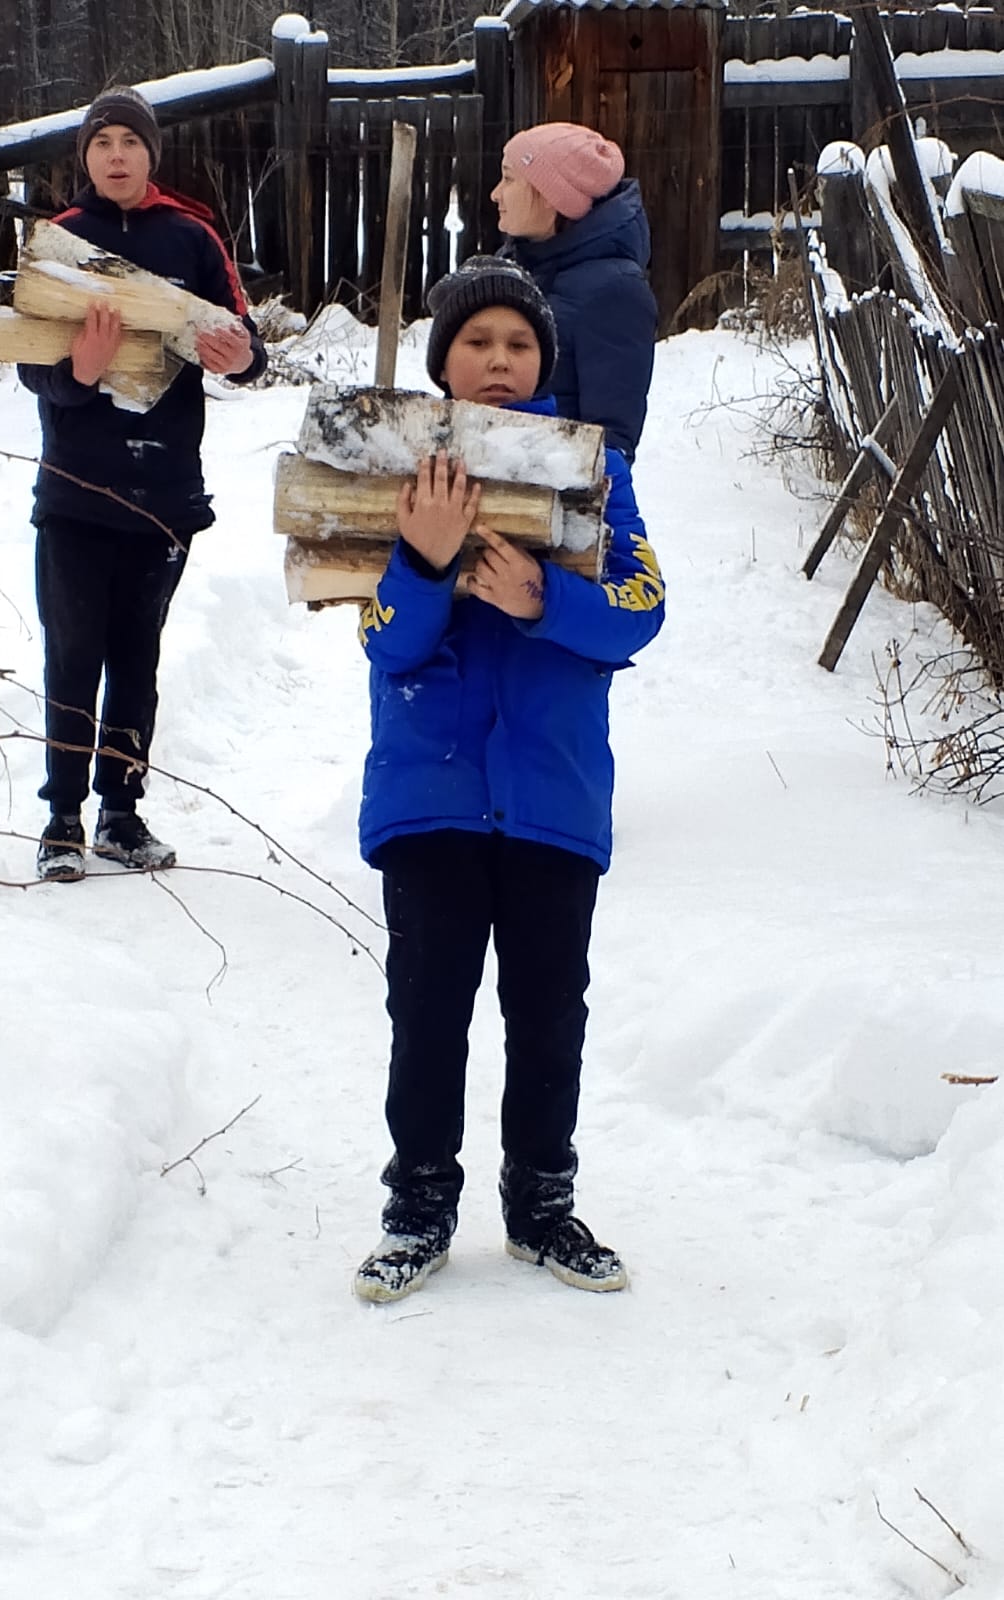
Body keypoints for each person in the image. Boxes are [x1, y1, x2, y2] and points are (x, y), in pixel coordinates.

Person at [352, 257, 665, 1303]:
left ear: (545, 361)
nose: (498, 359)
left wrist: (540, 599)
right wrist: (422, 560)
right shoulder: (390, 469)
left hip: (551, 794)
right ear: (443, 359)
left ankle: (540, 1203)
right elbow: (384, 644)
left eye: (519, 344)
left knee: (548, 1008)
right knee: (428, 1007)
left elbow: (639, 611)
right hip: (429, 790)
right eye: (477, 342)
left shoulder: (598, 472)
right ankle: (419, 1205)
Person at [18, 86, 266, 882]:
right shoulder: (60, 242)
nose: (116, 155)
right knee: (72, 654)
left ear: (151, 153)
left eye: (130, 140)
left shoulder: (190, 235)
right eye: (101, 143)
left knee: (136, 656)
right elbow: (30, 358)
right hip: (76, 494)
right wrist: (77, 375)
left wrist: (245, 358)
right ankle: (61, 819)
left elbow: (242, 334)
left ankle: (121, 813)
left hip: (162, 493)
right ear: (84, 157)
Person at [492, 122, 657, 462]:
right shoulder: (513, 265)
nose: (496, 193)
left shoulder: (615, 292)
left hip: (551, 501)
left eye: (509, 179)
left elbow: (608, 446)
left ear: (552, 196)